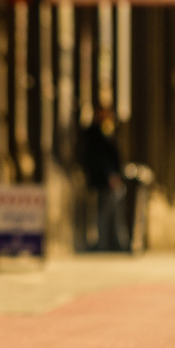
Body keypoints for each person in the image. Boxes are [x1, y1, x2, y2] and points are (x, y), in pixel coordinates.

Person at [78, 108, 129, 252]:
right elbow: (99, 157)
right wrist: (109, 175)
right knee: (104, 213)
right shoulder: (94, 134)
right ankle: (105, 243)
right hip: (104, 179)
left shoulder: (109, 131)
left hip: (110, 178)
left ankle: (117, 243)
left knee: (114, 212)